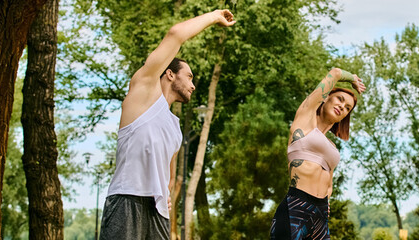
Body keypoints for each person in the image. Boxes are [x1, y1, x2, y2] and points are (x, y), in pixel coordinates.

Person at [99, 10, 236, 239]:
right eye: (189, 76)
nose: (193, 85)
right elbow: (176, 34)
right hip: (126, 200)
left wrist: (167, 196)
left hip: (158, 212)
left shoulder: (174, 128)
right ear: (170, 74)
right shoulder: (142, 94)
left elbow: (169, 177)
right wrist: (214, 16)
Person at [270, 68, 366, 239]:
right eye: (340, 99)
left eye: (347, 108)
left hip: (320, 215)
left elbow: (329, 182)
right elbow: (335, 73)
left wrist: (325, 201)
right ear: (326, 97)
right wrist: (352, 79)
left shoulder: (331, 146)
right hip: (296, 207)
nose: (342, 107)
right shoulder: (305, 121)